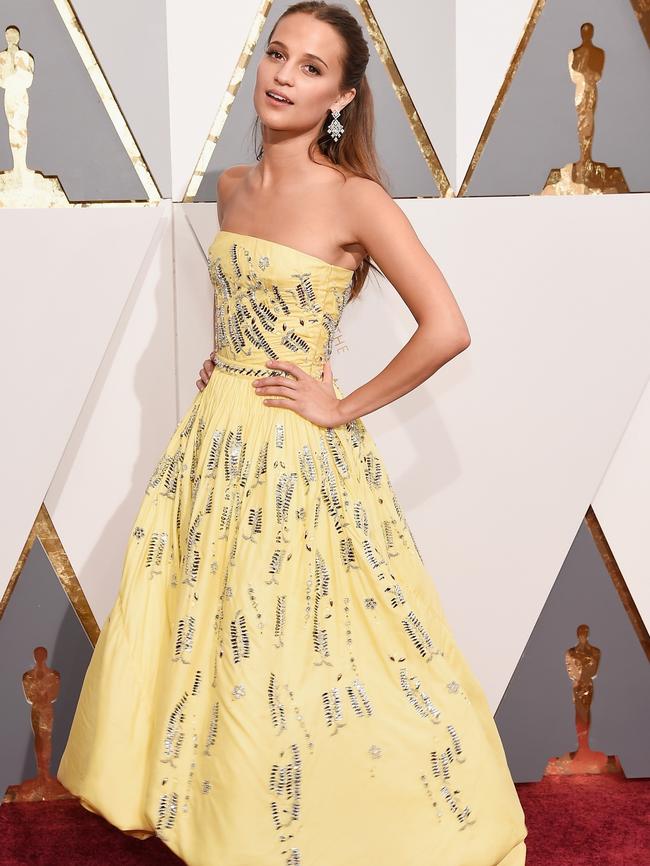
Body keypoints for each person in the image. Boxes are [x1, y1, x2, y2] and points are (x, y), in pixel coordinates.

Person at [57, 3, 528, 865]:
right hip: (213, 439)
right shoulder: (233, 187)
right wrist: (223, 355)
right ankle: (222, 813)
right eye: (278, 54)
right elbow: (247, 295)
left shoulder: (357, 197)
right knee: (213, 627)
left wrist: (341, 405)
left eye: (312, 67)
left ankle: (321, 826)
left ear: (341, 96)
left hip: (294, 447)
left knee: (298, 643)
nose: (284, 75)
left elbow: (446, 327)